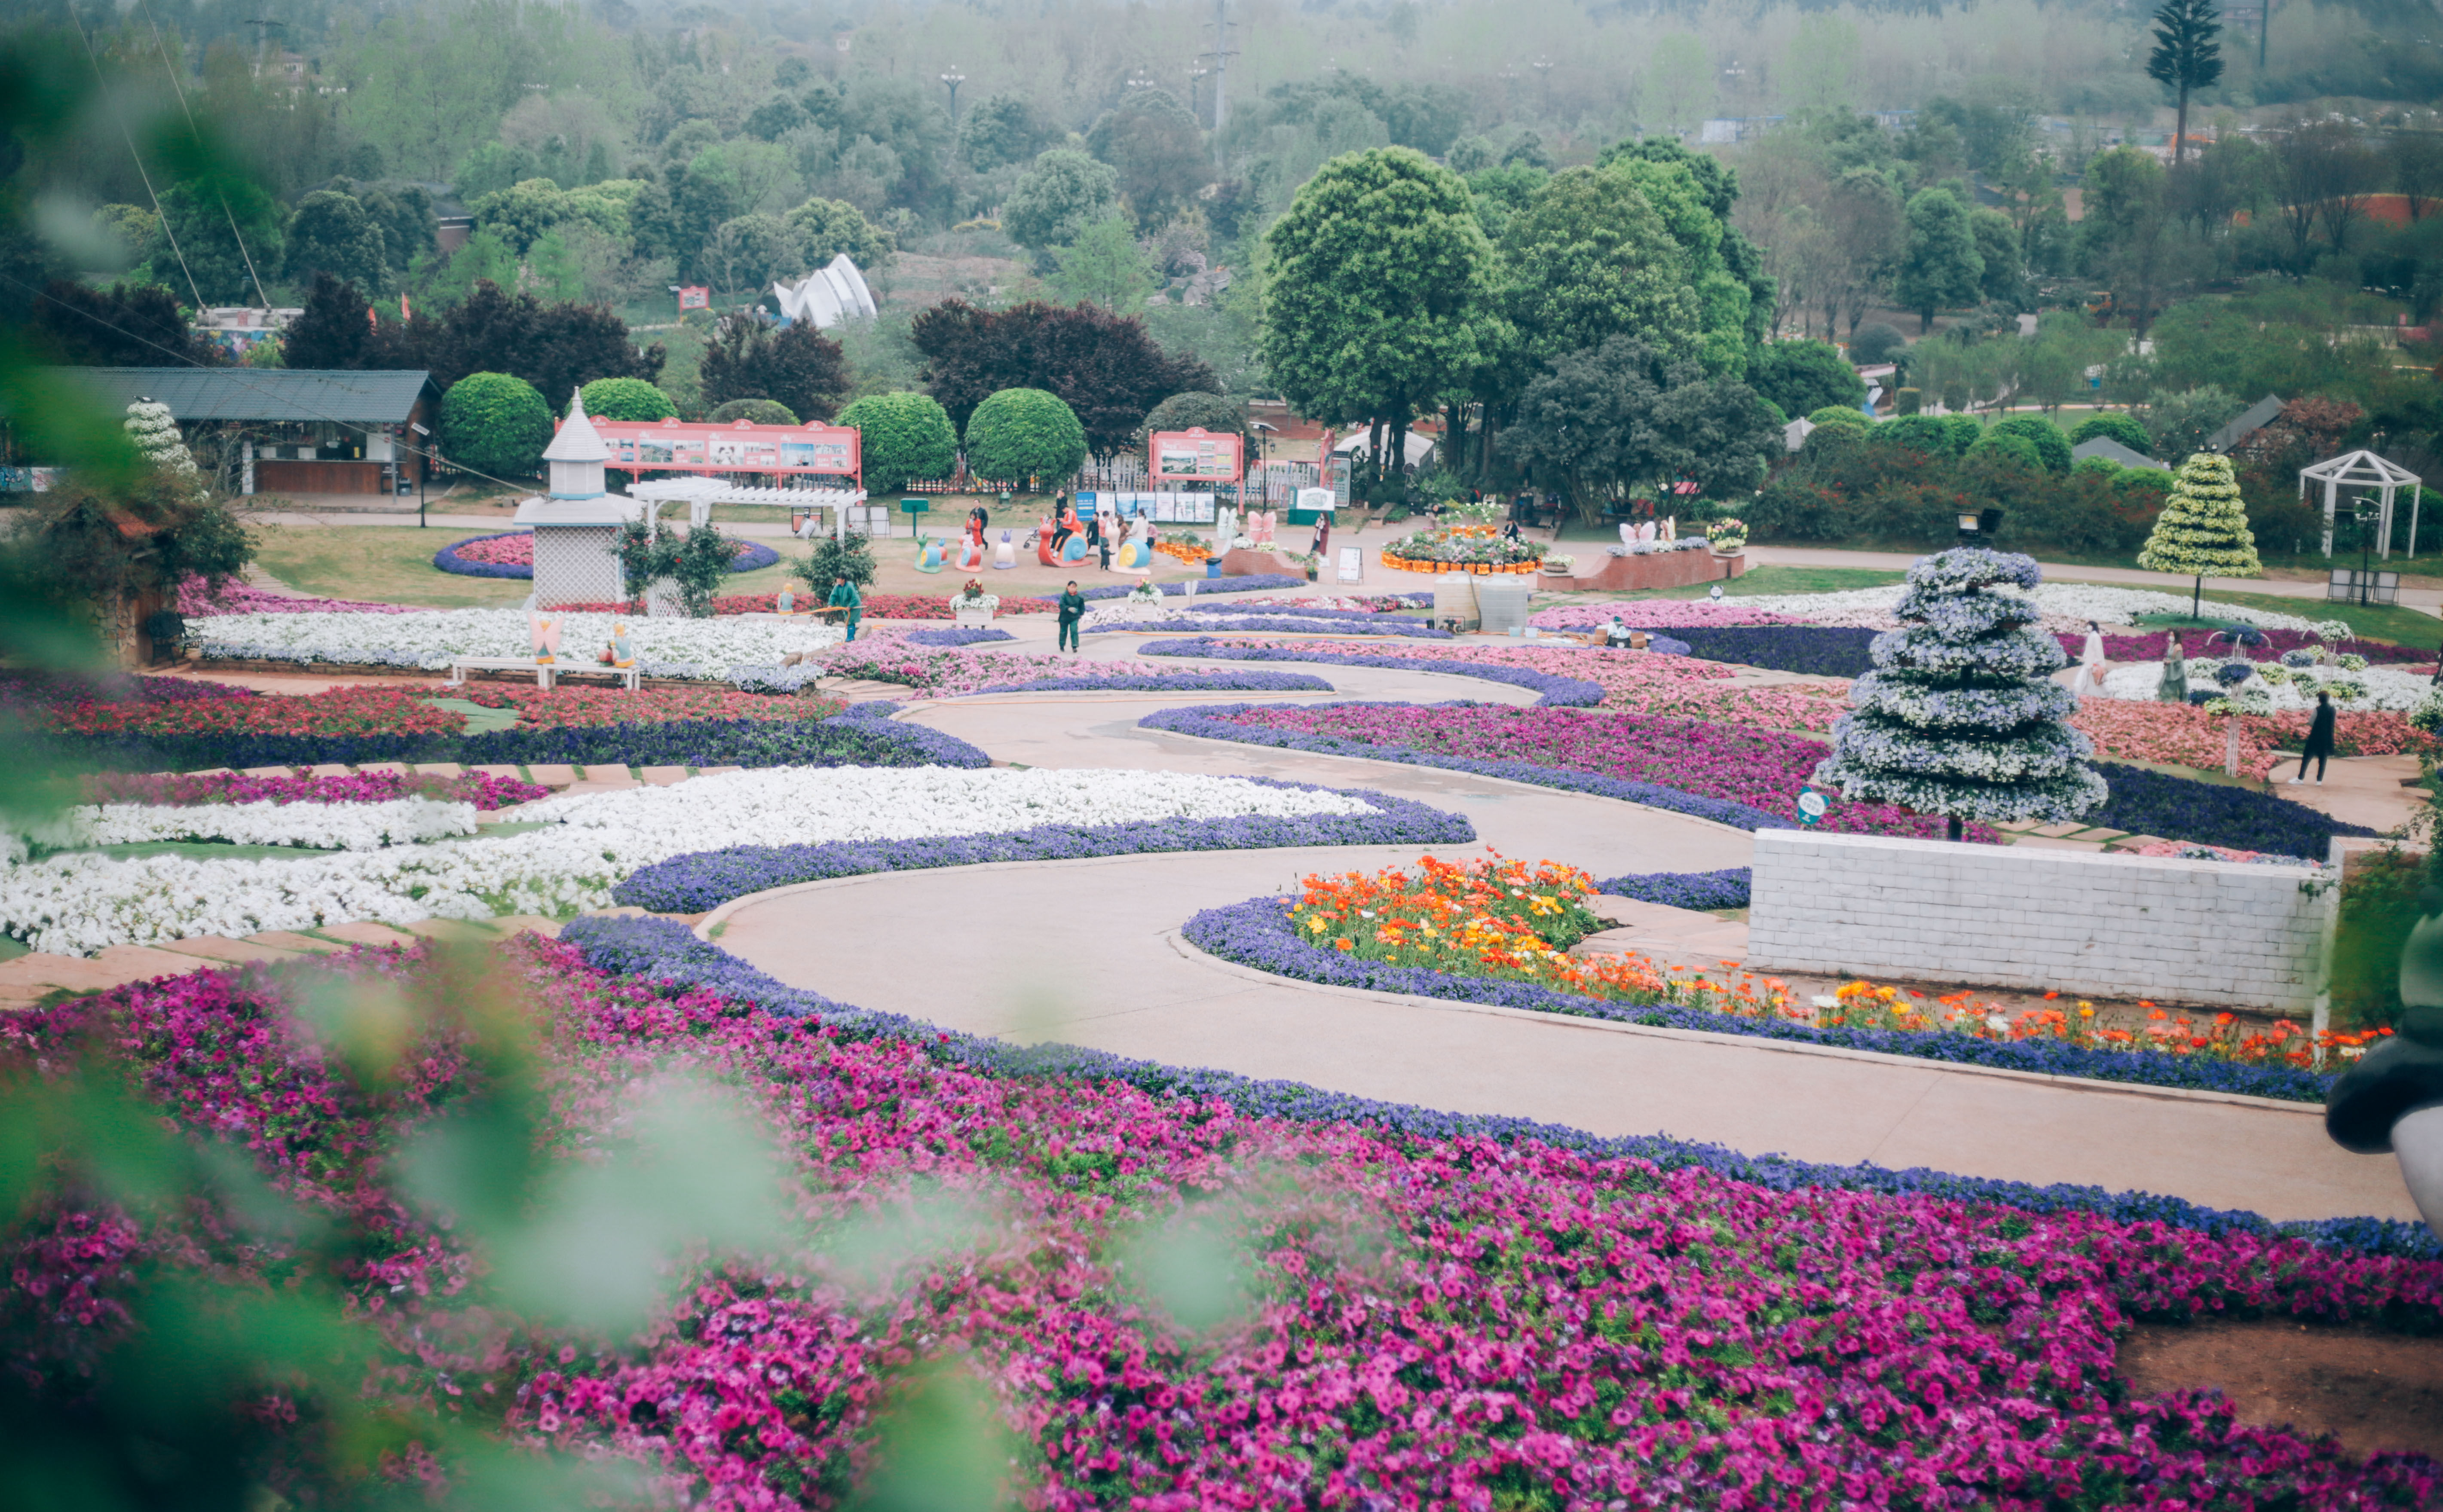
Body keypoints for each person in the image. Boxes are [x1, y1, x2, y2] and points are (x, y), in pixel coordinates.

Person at [2293, 690, 2337, 784]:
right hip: (2327, 738)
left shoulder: (2317, 710)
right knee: (2323, 760)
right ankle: (2319, 781)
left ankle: (2300, 778)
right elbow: (2334, 722)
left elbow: (2311, 722)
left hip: (2315, 737)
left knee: (2307, 758)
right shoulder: (2333, 710)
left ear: (2320, 699)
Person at [827, 573, 862, 642]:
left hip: (854, 605)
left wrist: (850, 606)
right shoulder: (837, 587)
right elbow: (833, 596)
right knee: (848, 621)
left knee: (850, 621)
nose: (838, 581)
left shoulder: (849, 586)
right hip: (845, 607)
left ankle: (850, 638)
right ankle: (851, 637)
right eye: (837, 579)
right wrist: (830, 604)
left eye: (839, 579)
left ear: (843, 580)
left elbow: (855, 598)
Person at [1056, 579, 1087, 652]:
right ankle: (1062, 645)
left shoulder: (1079, 597)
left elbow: (1082, 606)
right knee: (1063, 632)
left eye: (1074, 587)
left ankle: (1075, 646)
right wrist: (1068, 608)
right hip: (1064, 617)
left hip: (1074, 617)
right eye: (1071, 587)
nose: (1073, 589)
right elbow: (1061, 606)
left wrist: (1081, 614)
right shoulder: (1064, 596)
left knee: (1074, 630)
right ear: (1068, 587)